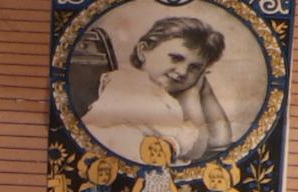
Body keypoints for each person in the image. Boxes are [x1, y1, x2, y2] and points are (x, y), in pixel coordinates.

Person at [82, 12, 243, 166]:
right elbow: (195, 150)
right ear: (143, 51)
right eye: (176, 58)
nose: (182, 72)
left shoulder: (166, 97)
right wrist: (192, 94)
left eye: (195, 68)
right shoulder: (130, 84)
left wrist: (205, 91)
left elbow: (221, 140)